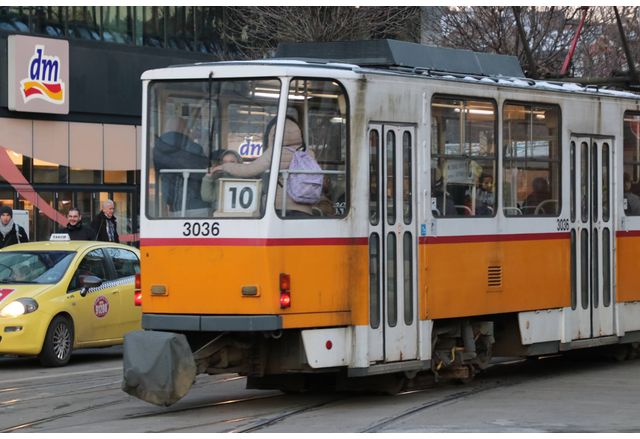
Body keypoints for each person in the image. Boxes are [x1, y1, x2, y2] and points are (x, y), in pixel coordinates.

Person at [211, 117, 314, 217]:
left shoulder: (273, 153)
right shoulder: (309, 153)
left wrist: (224, 167)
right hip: (306, 209)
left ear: (273, 134)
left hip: (281, 208)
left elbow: (248, 170)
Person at [153, 119, 210, 217]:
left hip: (172, 207)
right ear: (183, 129)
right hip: (197, 205)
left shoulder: (157, 149)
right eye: (188, 129)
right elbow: (203, 172)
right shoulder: (195, 148)